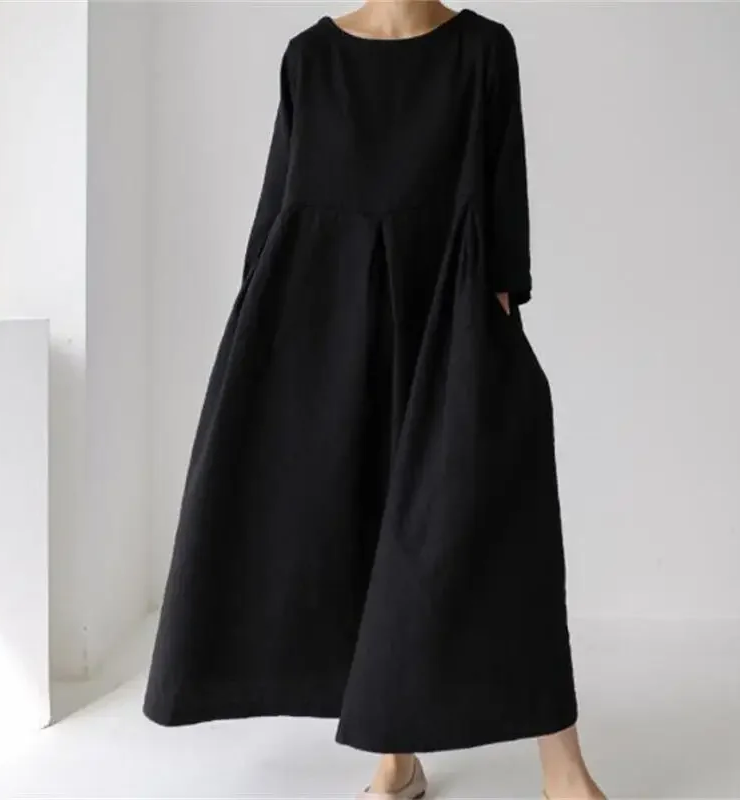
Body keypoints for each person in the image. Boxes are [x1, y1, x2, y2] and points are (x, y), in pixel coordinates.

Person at [142, 2, 606, 798]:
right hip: (322, 314)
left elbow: (503, 204)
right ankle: (395, 752)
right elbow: (279, 205)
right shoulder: (309, 58)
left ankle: (561, 765)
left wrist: (497, 317)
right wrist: (259, 342)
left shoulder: (483, 51)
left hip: (447, 306)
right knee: (357, 524)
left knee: (504, 522)